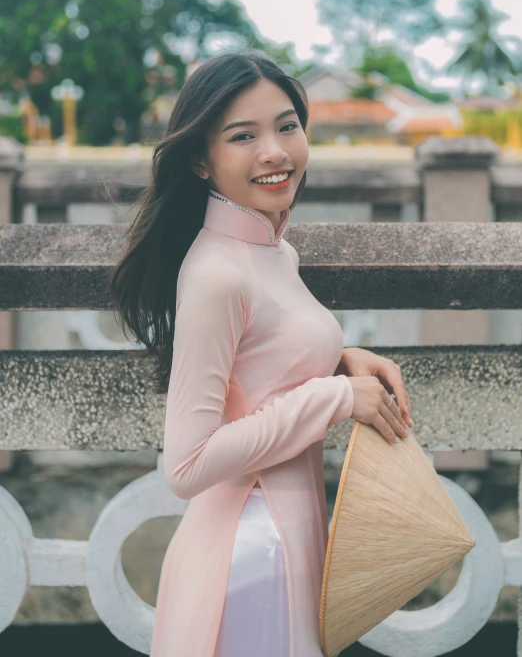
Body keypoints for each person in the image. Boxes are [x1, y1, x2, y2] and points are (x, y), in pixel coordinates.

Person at [109, 50, 413, 657]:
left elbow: (264, 370)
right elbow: (187, 466)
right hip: (250, 557)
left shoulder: (273, 248)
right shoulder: (217, 272)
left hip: (288, 540)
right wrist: (333, 396)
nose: (275, 151)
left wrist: (337, 359)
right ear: (200, 158)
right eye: (243, 136)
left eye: (287, 126)